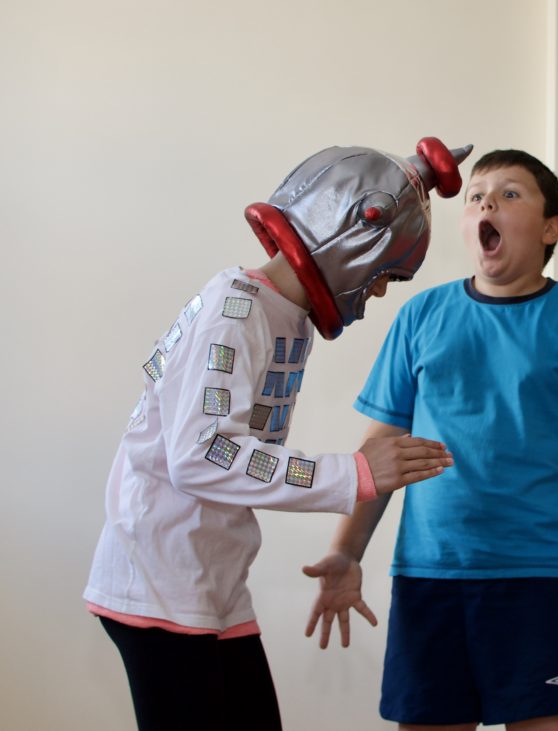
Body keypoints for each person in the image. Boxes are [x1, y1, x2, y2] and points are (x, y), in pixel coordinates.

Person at [83, 138, 471, 731]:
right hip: (159, 583)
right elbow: (202, 456)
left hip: (210, 583)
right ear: (352, 237)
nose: (381, 291)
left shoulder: (278, 314)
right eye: (384, 274)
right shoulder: (234, 313)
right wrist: (355, 473)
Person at [303, 149, 558, 730]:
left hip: (544, 580)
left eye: (511, 193)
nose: (487, 201)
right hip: (430, 576)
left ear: (550, 228)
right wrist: (345, 551)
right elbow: (383, 450)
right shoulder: (420, 317)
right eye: (476, 195)